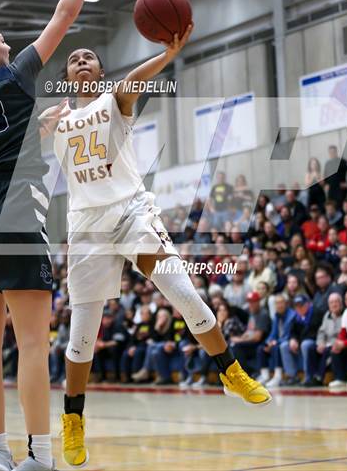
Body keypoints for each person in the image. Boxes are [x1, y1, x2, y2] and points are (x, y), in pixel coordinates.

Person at [52, 25, 271, 466]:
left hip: (132, 211)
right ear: (66, 74)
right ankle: (73, 420)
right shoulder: (56, 120)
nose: (80, 61)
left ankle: (230, 370)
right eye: (73, 58)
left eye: (88, 57)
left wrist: (168, 53)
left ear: (99, 70)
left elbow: (135, 80)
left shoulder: (113, 101)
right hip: (86, 226)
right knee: (82, 335)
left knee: (184, 292)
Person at [0, 0, 112, 471]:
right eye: (1, 37)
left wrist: (38, 129)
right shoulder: (16, 72)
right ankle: (39, 455)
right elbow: (66, 11)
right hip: (15, 207)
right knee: (28, 341)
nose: (9, 40)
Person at [279, 295, 324, 386]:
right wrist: (293, 339)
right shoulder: (296, 317)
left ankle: (308, 377)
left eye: (301, 305)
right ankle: (292, 376)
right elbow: (292, 331)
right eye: (297, 306)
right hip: (301, 341)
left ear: (308, 304)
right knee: (284, 346)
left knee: (305, 344)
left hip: (315, 342)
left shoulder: (316, 313)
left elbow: (314, 333)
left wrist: (298, 341)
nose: (299, 308)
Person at [303, 292, 343, 386]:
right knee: (311, 348)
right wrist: (320, 343)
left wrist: (328, 344)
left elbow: (344, 333)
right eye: (331, 302)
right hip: (326, 343)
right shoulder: (327, 315)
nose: (334, 304)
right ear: (328, 305)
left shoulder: (346, 314)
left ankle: (319, 377)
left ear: (341, 303)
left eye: (336, 302)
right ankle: (310, 377)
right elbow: (321, 332)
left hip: (338, 343)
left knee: (327, 350)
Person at [256, 294, 296, 387]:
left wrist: (275, 343)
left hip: (288, 341)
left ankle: (278, 376)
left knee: (276, 347)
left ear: (286, 303)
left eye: (281, 303)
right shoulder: (276, 316)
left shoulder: (292, 315)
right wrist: (268, 342)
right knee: (261, 348)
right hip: (277, 341)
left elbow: (288, 334)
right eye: (277, 303)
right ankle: (264, 375)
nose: (279, 305)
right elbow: (273, 333)